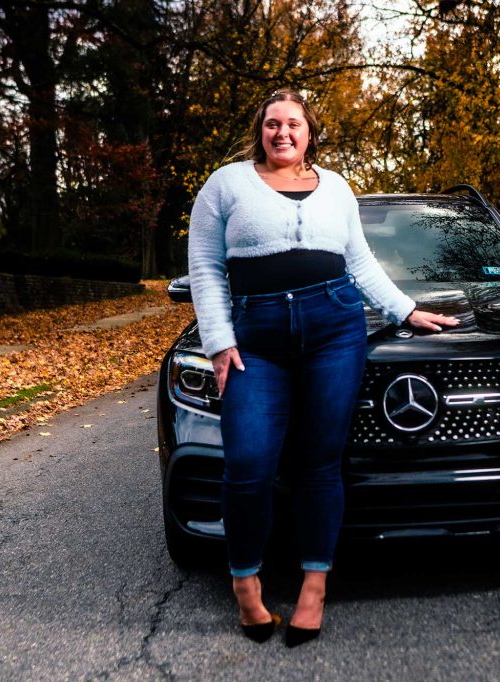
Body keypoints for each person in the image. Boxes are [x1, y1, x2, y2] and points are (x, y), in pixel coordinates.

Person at [187, 89, 459, 647]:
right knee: (248, 463)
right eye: (271, 124)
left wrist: (406, 309)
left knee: (319, 463)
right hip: (255, 340)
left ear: (310, 131)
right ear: (258, 132)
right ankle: (246, 588)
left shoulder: (336, 188)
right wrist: (218, 341)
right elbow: (206, 267)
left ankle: (314, 588)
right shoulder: (226, 185)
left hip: (334, 329)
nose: (281, 132)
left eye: (293, 124)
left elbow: (359, 260)